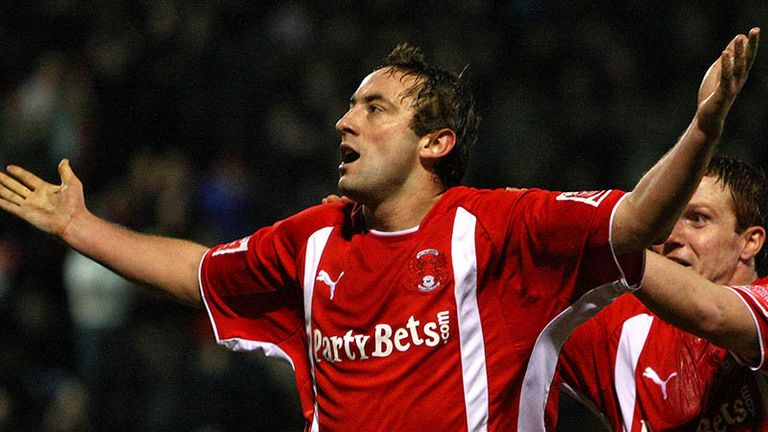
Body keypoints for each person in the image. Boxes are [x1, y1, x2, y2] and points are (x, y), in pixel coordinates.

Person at [0, 29, 759, 431]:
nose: (344, 121)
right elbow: (200, 273)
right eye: (351, 106)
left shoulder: (502, 230)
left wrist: (700, 128)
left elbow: (631, 224)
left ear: (435, 143)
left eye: (373, 108)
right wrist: (81, 225)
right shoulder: (315, 239)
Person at [558, 155, 768, 431]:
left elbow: (711, 312)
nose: (671, 237)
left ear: (750, 241)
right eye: (666, 218)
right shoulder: (620, 328)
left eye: (697, 219)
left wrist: (597, 231)